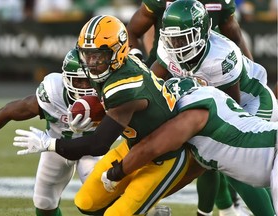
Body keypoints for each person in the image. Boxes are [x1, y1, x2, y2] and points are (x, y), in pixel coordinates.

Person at [12, 15, 202, 216]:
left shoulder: (123, 87)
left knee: (115, 214)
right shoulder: (115, 67)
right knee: (86, 201)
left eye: (99, 55)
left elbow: (98, 144)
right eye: (87, 54)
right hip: (133, 145)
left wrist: (49, 144)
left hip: (162, 155)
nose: (92, 62)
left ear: (117, 52)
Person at [150, 0, 278, 215]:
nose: (177, 45)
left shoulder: (220, 57)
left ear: (200, 33)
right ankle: (214, 212)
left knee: (233, 159)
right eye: (172, 38)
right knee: (205, 152)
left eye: (183, 37)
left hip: (252, 102)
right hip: (220, 104)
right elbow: (153, 85)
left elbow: (232, 110)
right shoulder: (167, 49)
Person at [127, 0, 254, 215]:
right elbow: (133, 31)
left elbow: (234, 36)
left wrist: (252, 72)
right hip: (167, 69)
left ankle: (224, 207)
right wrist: (139, 62)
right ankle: (146, 203)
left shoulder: (220, 11)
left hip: (207, 74)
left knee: (211, 144)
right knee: (143, 138)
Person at [103, 76, 278, 215]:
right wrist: (142, 199)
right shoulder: (203, 134)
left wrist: (116, 173)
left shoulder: (194, 114)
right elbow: (185, 176)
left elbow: (151, 147)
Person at [0, 48, 101, 216]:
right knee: (44, 202)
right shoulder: (53, 93)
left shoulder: (107, 93)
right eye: (78, 81)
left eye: (88, 80)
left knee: (99, 197)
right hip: (54, 147)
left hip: (92, 150)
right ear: (66, 79)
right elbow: (9, 111)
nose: (85, 87)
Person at [126, 0, 253, 68]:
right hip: (165, 65)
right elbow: (132, 31)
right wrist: (136, 59)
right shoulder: (159, 2)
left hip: (208, 69)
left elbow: (236, 39)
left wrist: (253, 70)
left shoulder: (220, 2)